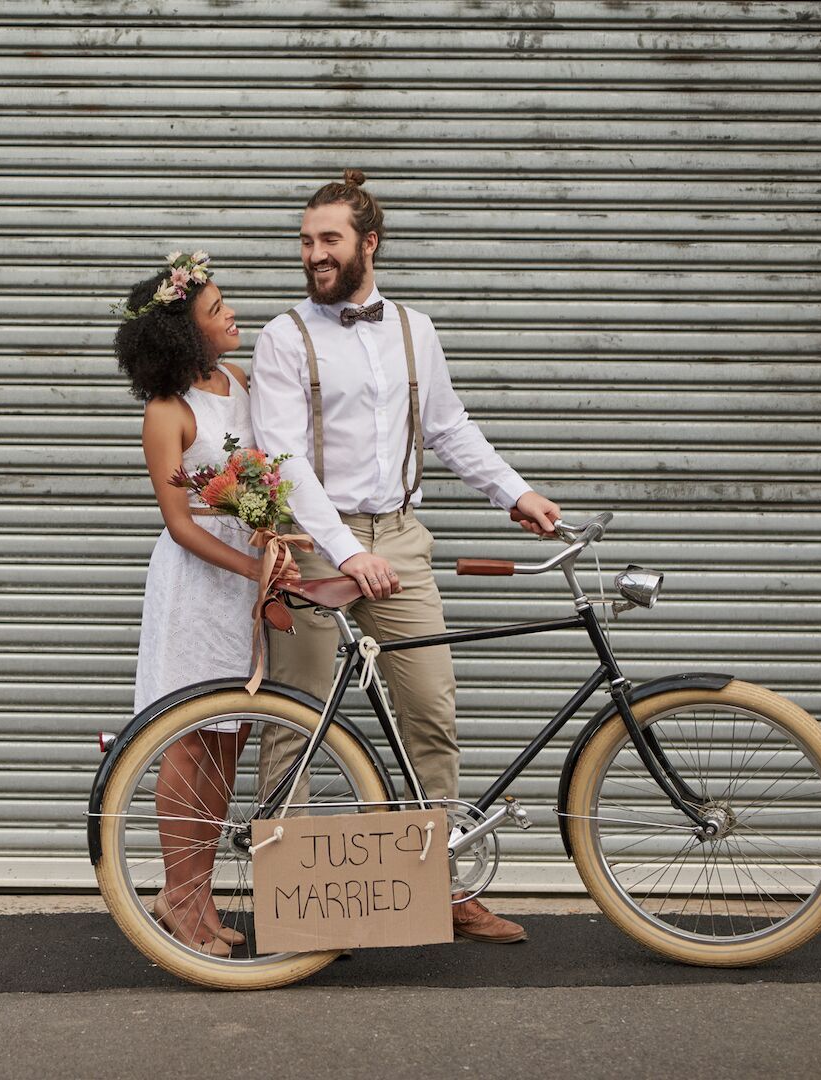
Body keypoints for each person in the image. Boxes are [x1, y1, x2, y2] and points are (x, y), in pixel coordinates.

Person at [249, 171, 561, 945]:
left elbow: (449, 428)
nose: (313, 253)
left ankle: (442, 888)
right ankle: (284, 905)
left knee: (431, 714)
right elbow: (284, 462)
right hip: (315, 544)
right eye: (305, 240)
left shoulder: (416, 329)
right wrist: (348, 552)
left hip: (403, 540)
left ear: (369, 243)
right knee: (297, 721)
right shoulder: (285, 335)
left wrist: (515, 494)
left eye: (329, 239)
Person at [114, 251, 300, 957]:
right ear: (185, 333)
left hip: (244, 585)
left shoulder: (239, 381)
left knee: (230, 738)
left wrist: (269, 545)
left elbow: (260, 479)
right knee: (188, 744)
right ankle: (183, 898)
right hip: (198, 585)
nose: (233, 316)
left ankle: (189, 892)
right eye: (218, 310)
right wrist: (256, 565)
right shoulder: (168, 413)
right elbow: (183, 524)